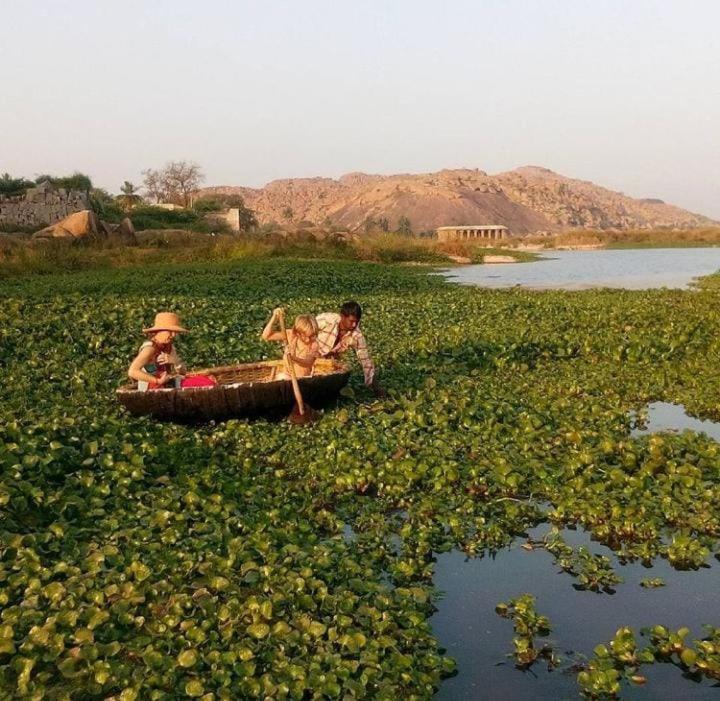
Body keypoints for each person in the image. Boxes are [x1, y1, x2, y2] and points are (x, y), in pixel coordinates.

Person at [316, 301, 385, 397]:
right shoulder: (327, 320)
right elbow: (305, 328)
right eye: (351, 321)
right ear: (342, 316)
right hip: (309, 354)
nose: (354, 325)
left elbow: (366, 361)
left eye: (356, 322)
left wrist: (375, 386)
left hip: (326, 362)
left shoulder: (357, 335)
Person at [128, 312, 188, 391]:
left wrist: (175, 362)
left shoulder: (169, 347)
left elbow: (183, 372)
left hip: (165, 390)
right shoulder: (149, 348)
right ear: (159, 331)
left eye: (175, 332)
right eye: (170, 331)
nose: (173, 335)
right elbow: (132, 371)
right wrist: (157, 381)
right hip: (149, 392)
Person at [261, 308, 320, 380]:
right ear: (298, 333)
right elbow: (266, 336)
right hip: (286, 376)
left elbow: (308, 363)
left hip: (302, 380)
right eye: (305, 336)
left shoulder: (314, 344)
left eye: (311, 336)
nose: (308, 340)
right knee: (281, 378)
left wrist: (293, 358)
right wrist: (274, 317)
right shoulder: (290, 335)